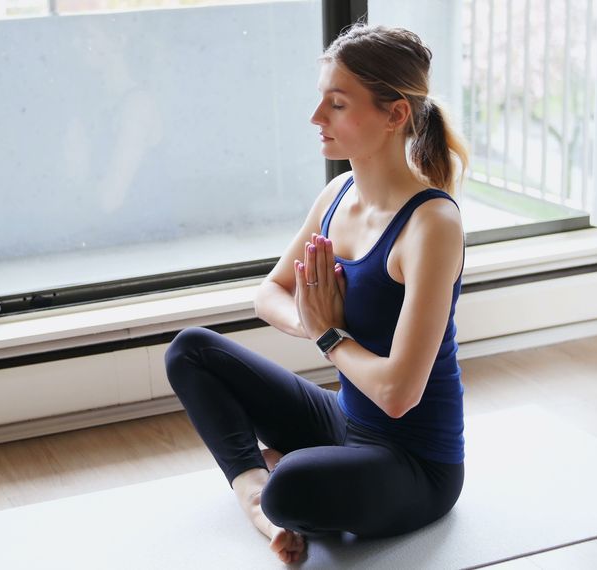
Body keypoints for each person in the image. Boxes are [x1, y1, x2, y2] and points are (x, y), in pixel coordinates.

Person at [164, 23, 469, 565]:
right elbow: (269, 294)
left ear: (394, 114)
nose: (315, 119)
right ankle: (253, 493)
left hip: (415, 464)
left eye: (336, 104)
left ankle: (276, 486)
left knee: (293, 488)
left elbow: (399, 393)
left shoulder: (432, 225)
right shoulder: (339, 193)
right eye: (320, 101)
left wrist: (329, 334)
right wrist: (313, 320)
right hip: (346, 420)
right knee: (191, 351)